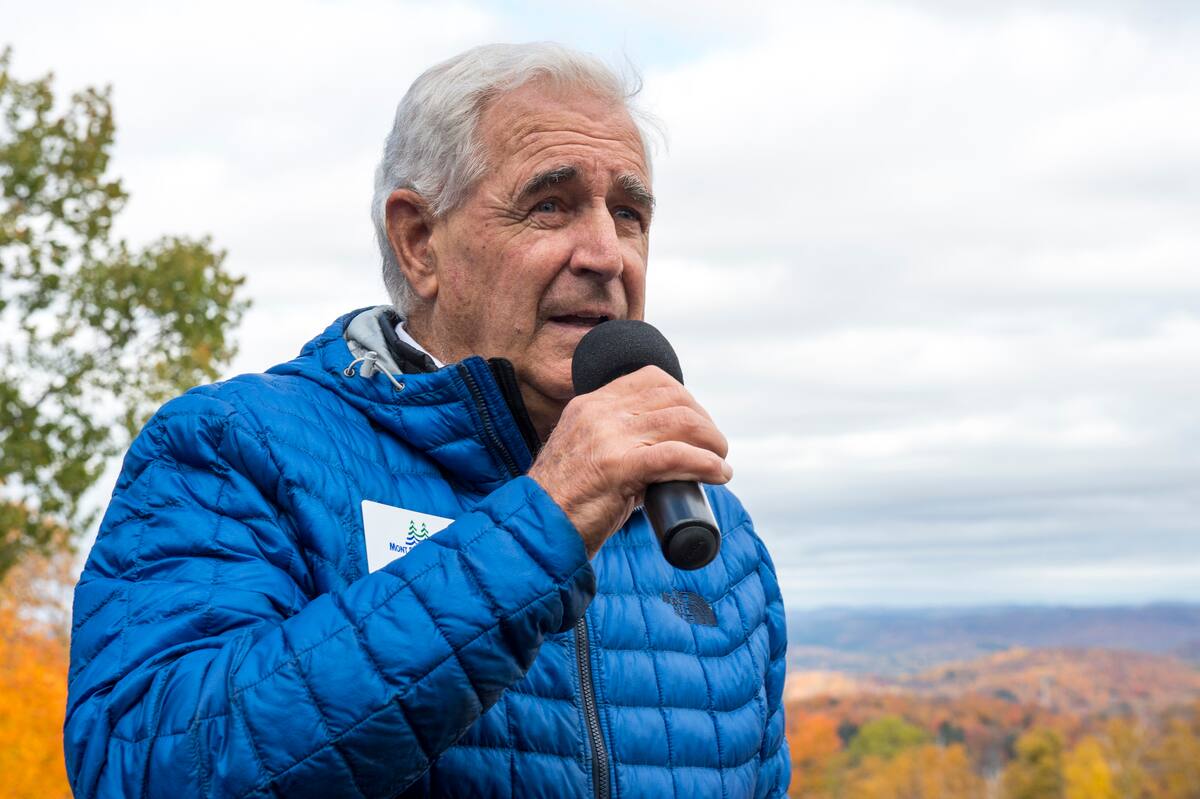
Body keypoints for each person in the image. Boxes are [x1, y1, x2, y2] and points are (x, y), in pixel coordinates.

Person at [65, 42, 790, 798]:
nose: (607, 253)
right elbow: (147, 764)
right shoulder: (234, 448)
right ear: (419, 243)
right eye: (550, 203)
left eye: (630, 214)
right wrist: (543, 522)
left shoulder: (720, 539)